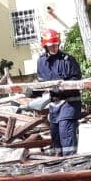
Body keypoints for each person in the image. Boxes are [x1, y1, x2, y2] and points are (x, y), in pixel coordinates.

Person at [30, 28, 83, 156]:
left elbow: (76, 80)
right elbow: (42, 83)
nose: (54, 48)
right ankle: (59, 163)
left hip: (69, 104)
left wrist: (61, 87)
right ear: (45, 46)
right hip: (54, 105)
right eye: (51, 46)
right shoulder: (41, 62)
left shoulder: (68, 60)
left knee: (66, 133)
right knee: (56, 136)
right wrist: (34, 92)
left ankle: (72, 162)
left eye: (56, 45)